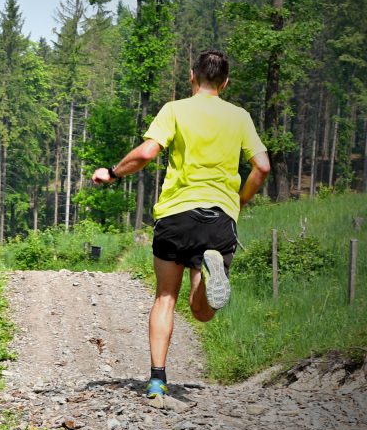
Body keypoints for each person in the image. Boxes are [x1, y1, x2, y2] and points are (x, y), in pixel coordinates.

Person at [91, 49, 270, 398]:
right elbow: (261, 166)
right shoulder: (240, 116)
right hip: (220, 218)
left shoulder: (174, 110)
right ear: (226, 82)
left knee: (165, 297)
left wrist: (111, 173)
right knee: (201, 312)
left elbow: (146, 153)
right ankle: (208, 276)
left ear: (192, 76)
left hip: (177, 214)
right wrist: (240, 200)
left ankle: (157, 380)